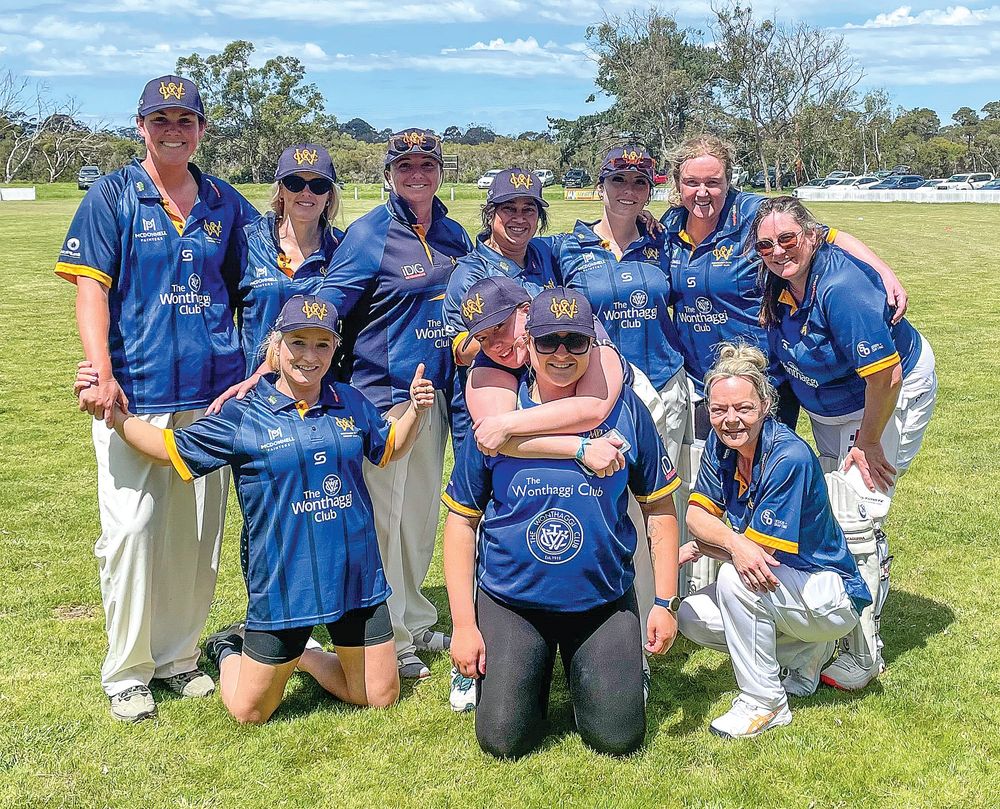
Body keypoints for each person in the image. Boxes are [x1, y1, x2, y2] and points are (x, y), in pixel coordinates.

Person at [78, 295, 435, 723]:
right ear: (276, 347)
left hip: (355, 577)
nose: (309, 356)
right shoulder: (242, 415)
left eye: (323, 345)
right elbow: (165, 447)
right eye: (298, 343)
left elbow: (390, 448)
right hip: (286, 583)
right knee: (249, 712)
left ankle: (303, 656)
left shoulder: (350, 400)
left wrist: (415, 410)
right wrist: (116, 418)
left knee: (378, 695)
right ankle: (231, 645)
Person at [56, 74, 258, 722]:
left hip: (210, 393)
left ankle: (176, 657)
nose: (174, 129)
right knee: (132, 530)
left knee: (195, 536)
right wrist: (100, 370)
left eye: (186, 119)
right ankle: (127, 670)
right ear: (140, 125)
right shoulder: (113, 195)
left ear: (201, 128)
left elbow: (266, 265)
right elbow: (91, 288)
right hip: (134, 394)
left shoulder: (225, 202)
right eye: (161, 118)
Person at [660, 134, 909, 595]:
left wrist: (883, 270)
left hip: (765, 380)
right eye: (691, 182)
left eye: (713, 182)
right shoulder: (670, 225)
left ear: (728, 181)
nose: (702, 193)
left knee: (772, 480)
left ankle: (797, 591)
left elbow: (827, 235)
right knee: (715, 485)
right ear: (677, 183)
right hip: (704, 384)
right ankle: (727, 590)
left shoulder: (755, 214)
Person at [443, 288, 682, 758]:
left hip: (601, 600)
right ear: (528, 345)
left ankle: (606, 668)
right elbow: (460, 522)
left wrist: (665, 602)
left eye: (574, 342)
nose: (561, 354)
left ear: (593, 345)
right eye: (548, 342)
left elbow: (659, 508)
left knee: (617, 738)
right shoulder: (497, 418)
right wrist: (464, 625)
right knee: (503, 740)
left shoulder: (624, 408)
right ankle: (525, 669)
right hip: (514, 601)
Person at [751, 196, 937, 690]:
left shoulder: (841, 286)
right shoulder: (779, 280)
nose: (777, 250)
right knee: (832, 512)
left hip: (886, 394)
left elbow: (888, 375)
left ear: (810, 237)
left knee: (858, 514)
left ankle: (863, 653)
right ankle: (830, 629)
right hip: (831, 404)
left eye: (788, 239)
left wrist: (869, 441)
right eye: (766, 244)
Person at [317, 129, 473, 679]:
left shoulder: (455, 235)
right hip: (381, 399)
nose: (417, 175)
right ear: (390, 173)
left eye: (426, 166)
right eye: (405, 166)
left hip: (434, 400)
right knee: (383, 521)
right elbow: (329, 301)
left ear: (439, 172)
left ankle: (415, 616)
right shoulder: (369, 234)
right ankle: (389, 636)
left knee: (419, 517)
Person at [677, 343, 872, 738]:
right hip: (788, 588)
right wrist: (726, 543)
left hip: (830, 592)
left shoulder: (789, 456)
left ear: (766, 404)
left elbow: (754, 557)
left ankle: (764, 702)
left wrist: (716, 545)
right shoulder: (720, 444)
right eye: (719, 410)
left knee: (738, 579)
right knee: (691, 616)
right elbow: (696, 516)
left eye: (743, 408)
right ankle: (804, 656)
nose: (730, 420)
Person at [230, 143, 344, 379]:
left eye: (318, 185)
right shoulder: (247, 242)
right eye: (295, 183)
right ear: (280, 190)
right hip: (256, 388)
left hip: (322, 389)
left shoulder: (343, 249)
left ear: (330, 195)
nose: (306, 193)